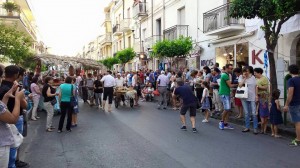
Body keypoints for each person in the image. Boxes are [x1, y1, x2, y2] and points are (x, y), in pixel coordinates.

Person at [0, 65, 28, 168]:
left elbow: (2, 108)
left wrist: (7, 96)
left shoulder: (6, 88)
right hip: (3, 140)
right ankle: (14, 162)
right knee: (13, 148)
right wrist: (18, 98)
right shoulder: (15, 89)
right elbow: (12, 119)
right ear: (16, 74)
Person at [283, 64, 300, 146]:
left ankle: (298, 139)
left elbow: (290, 93)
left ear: (289, 72)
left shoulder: (291, 80)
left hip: (294, 104)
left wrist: (286, 104)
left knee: (297, 122)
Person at [239, 66, 258, 134]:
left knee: (253, 113)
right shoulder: (241, 77)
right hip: (244, 97)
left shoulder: (253, 77)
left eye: (247, 71)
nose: (246, 72)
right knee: (246, 113)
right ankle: (247, 127)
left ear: (250, 71)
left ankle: (255, 128)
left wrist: (256, 95)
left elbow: (256, 86)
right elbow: (240, 85)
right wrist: (244, 78)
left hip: (252, 96)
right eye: (244, 71)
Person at [218, 64, 237, 130]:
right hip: (224, 93)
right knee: (227, 108)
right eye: (230, 69)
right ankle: (222, 122)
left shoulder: (226, 75)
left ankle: (225, 123)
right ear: (226, 68)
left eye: (232, 69)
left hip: (226, 93)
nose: (231, 70)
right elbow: (230, 85)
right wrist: (239, 84)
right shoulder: (225, 75)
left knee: (227, 109)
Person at [254, 67, 269, 134]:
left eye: (255, 73)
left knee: (263, 107)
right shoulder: (256, 78)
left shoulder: (264, 78)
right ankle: (261, 127)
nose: (254, 74)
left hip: (263, 96)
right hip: (257, 96)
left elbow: (266, 87)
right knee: (258, 109)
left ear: (259, 73)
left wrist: (258, 87)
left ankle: (264, 129)